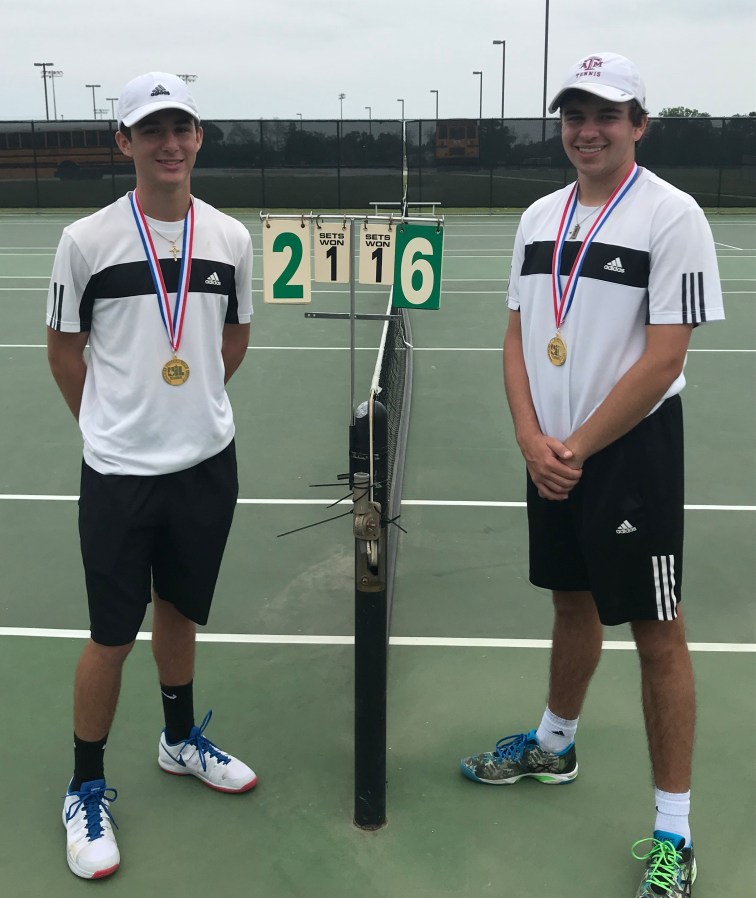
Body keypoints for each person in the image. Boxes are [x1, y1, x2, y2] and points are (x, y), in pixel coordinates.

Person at [459, 52, 724, 897]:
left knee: (656, 630)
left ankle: (674, 836)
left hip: (629, 456)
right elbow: (514, 335)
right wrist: (530, 435)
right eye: (574, 114)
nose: (588, 129)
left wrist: (571, 447)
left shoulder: (672, 216)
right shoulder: (538, 216)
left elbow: (665, 356)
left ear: (639, 125)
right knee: (570, 600)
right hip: (551, 452)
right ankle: (555, 743)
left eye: (607, 114)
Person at [47, 72, 256, 880]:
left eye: (183, 128)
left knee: (179, 609)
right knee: (111, 635)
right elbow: (65, 354)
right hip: (119, 476)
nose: (170, 143)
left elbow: (232, 340)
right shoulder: (86, 242)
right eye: (152, 130)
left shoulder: (231, 239)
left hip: (205, 466)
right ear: (124, 142)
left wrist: (189, 406)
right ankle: (86, 784)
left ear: (199, 138)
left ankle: (178, 740)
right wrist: (111, 425)